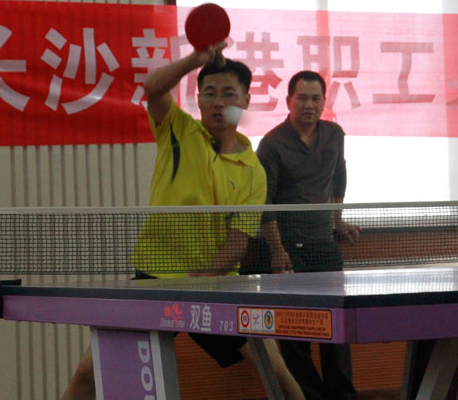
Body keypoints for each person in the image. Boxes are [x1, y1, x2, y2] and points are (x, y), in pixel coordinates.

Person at [62, 43, 303, 400]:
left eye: (228, 94)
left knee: (275, 368)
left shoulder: (253, 170)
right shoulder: (177, 129)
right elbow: (152, 88)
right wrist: (195, 60)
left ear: (245, 101)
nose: (218, 102)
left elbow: (238, 240)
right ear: (198, 99)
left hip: (216, 287)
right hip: (156, 278)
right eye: (210, 93)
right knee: (88, 371)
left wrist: (204, 276)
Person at [256, 70, 360, 400]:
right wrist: (277, 250)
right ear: (289, 101)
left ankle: (343, 397)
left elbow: (339, 177)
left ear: (324, 102)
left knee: (337, 329)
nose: (309, 105)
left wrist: (338, 221)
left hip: (324, 246)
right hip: (288, 250)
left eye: (316, 99)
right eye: (302, 98)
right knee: (294, 334)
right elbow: (264, 202)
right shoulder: (271, 144)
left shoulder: (335, 134)